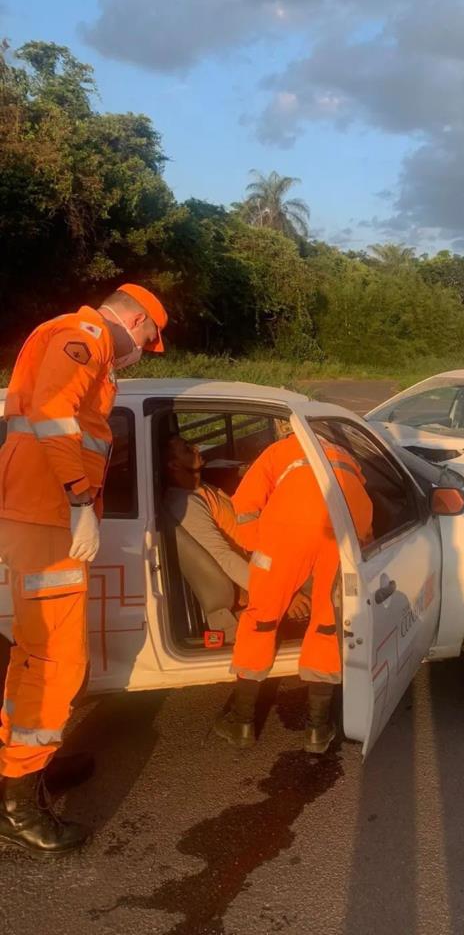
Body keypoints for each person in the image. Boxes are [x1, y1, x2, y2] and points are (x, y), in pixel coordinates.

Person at [0, 284, 168, 856]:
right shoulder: (86, 338)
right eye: (148, 338)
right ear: (137, 320)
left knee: (33, 654)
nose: (142, 350)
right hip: (49, 516)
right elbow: (52, 415)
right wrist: (77, 501)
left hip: (41, 514)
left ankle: (22, 770)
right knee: (57, 663)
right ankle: (18, 805)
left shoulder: (74, 337)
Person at [214, 428, 373, 755]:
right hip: (343, 533)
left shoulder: (279, 450)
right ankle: (317, 730)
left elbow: (243, 505)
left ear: (289, 430)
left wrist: (258, 548)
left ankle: (242, 722)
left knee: (261, 621)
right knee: (328, 626)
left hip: (287, 534)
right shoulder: (346, 456)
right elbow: (364, 505)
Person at [162, 434, 311, 641]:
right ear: (174, 465)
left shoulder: (202, 489)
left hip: (268, 564)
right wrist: (282, 594)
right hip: (261, 578)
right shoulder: (185, 504)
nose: (196, 448)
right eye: (187, 449)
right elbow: (223, 557)